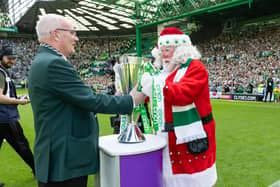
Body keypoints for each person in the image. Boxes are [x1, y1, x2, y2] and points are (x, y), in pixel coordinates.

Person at [28, 14, 145, 187]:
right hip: (64, 159)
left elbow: (74, 102)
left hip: (59, 155)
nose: (76, 38)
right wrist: (131, 100)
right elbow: (90, 100)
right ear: (57, 34)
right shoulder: (53, 63)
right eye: (73, 33)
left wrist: (115, 99)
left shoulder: (45, 60)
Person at [141, 27, 217, 187]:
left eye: (167, 50)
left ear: (180, 50)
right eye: (161, 50)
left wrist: (157, 86)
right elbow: (150, 100)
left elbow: (183, 95)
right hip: (164, 139)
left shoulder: (195, 68)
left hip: (188, 140)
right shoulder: (161, 74)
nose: (163, 55)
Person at [0, 45, 35, 182]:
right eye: (9, 58)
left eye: (14, 58)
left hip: (4, 117)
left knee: (22, 146)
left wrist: (17, 99)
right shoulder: (1, 73)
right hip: (6, 118)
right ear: (1, 56)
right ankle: (38, 171)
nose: (12, 61)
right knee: (22, 146)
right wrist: (17, 101)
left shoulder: (4, 72)